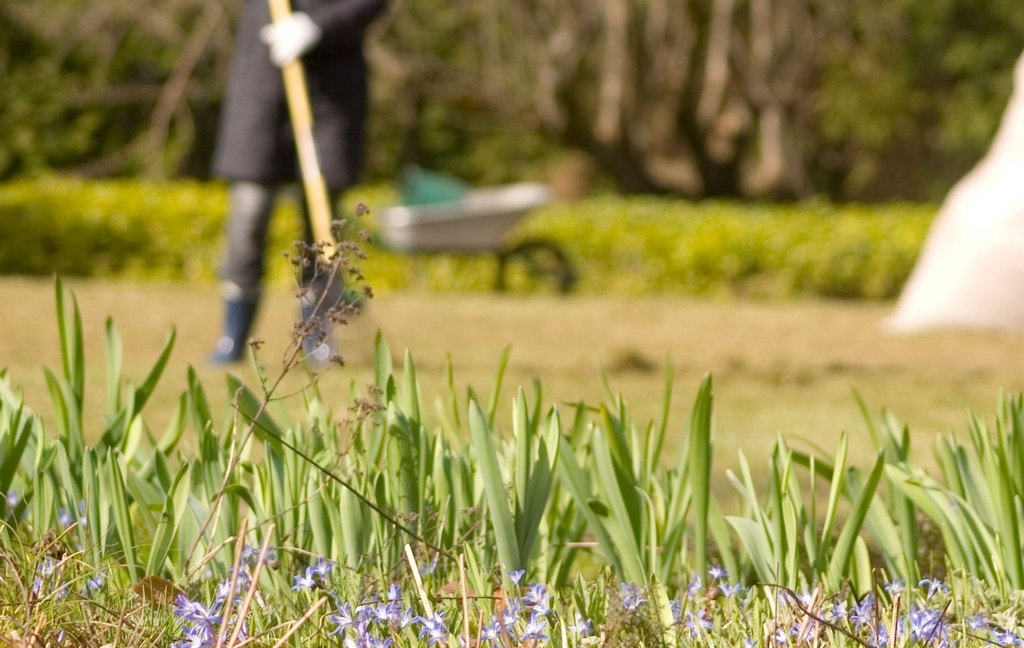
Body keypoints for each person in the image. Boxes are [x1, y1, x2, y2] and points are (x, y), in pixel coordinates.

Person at [208, 0, 388, 364]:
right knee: (249, 214)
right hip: (261, 88)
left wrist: (317, 26)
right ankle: (233, 338)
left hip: (331, 93)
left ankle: (317, 336)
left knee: (321, 223)